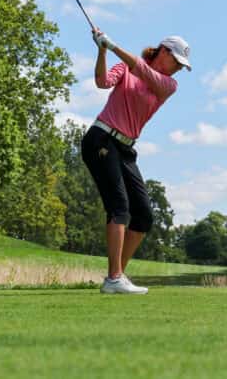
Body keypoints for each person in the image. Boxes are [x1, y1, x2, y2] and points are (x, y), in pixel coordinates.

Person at [81, 28, 191, 294]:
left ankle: (116, 276)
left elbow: (142, 70)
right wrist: (102, 50)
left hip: (126, 148)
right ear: (163, 51)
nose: (177, 68)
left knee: (143, 215)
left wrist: (113, 43)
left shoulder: (168, 85)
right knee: (119, 206)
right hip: (102, 139)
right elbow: (102, 82)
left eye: (181, 65)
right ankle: (115, 277)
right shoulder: (126, 68)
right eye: (176, 61)